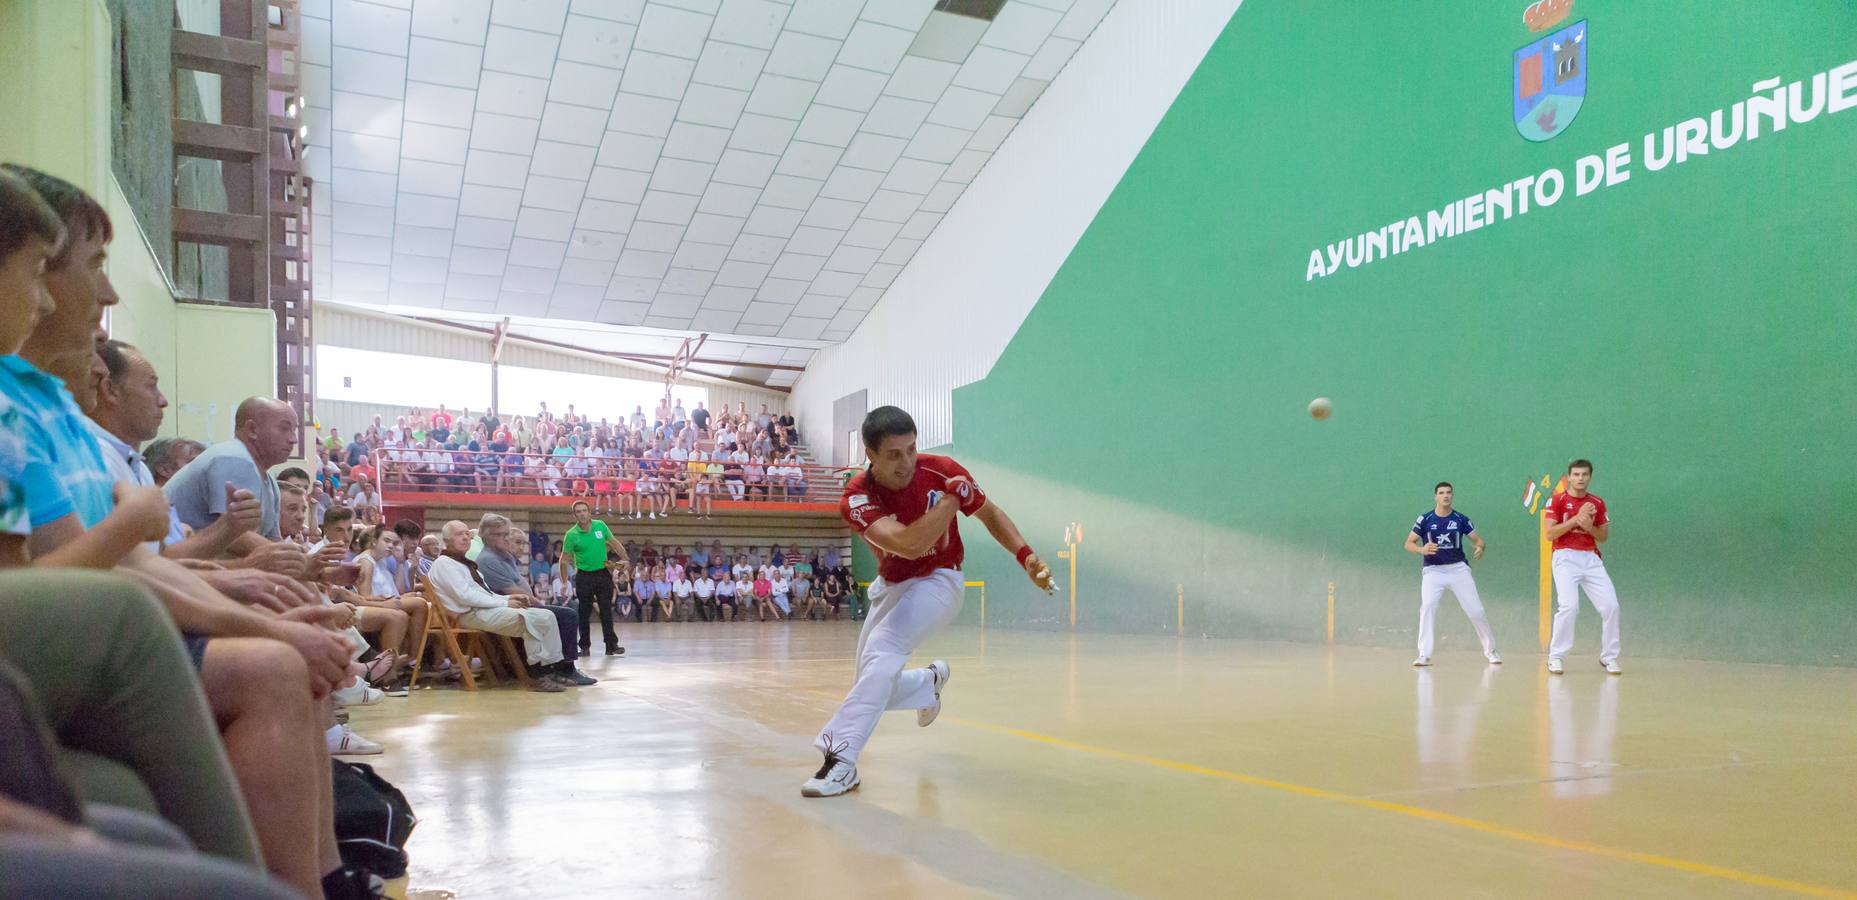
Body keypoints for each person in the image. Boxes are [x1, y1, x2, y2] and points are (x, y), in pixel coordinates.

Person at [804, 406, 1052, 798]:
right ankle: (926, 684)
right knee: (870, 683)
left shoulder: (941, 469)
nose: (906, 462)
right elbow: (908, 544)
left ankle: (841, 762)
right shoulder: (856, 496)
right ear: (870, 455)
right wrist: (953, 502)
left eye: (911, 449)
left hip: (942, 580)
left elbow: (990, 513)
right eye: (894, 454)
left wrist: (1026, 556)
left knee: (882, 655)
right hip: (893, 586)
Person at [426, 521, 571, 691]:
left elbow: (484, 593)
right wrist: (505, 602)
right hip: (467, 615)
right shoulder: (444, 563)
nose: (465, 537)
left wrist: (509, 597)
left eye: (467, 533)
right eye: (459, 534)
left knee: (546, 616)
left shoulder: (463, 563)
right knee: (533, 619)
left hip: (481, 610)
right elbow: (465, 596)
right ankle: (538, 675)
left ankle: (551, 668)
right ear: (446, 540)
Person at [473, 515, 596, 686]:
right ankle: (565, 668)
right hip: (511, 606)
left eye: (507, 533)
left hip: (520, 603)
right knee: (567, 615)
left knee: (564, 612)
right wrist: (540, 604)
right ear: (488, 536)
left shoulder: (504, 556)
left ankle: (560, 666)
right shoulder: (489, 560)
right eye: (501, 535)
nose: (506, 538)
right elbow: (515, 592)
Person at [1404, 481, 1498, 666]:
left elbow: (1479, 541)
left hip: (1458, 570)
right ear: (1435, 496)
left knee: (1476, 611)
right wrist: (1422, 550)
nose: (1445, 495)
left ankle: (1491, 651)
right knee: (1428, 607)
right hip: (1433, 571)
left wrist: (1479, 548)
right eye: (1441, 493)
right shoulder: (1425, 519)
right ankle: (1424, 654)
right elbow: (1408, 543)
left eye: (1448, 492)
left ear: (1452, 496)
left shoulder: (1461, 519)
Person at [1544, 459, 1622, 675]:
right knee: (1569, 606)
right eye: (1576, 474)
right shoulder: (1557, 500)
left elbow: (1603, 536)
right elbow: (1549, 533)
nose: (1580, 478)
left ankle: (1609, 657)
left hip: (1591, 559)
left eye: (1584, 474)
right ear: (1569, 477)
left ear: (1590, 477)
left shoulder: (1597, 502)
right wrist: (1576, 520)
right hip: (1564, 557)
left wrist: (1589, 527)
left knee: (1611, 606)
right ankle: (1556, 656)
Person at [561, 499, 629, 656]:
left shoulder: (600, 525)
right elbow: (564, 560)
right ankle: (584, 647)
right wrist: (564, 582)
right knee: (584, 612)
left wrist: (625, 558)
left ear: (589, 512)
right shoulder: (571, 535)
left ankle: (611, 645)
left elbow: (614, 543)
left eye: (584, 510)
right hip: (584, 576)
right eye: (578, 512)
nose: (582, 514)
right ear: (575, 515)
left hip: (603, 574)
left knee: (606, 610)